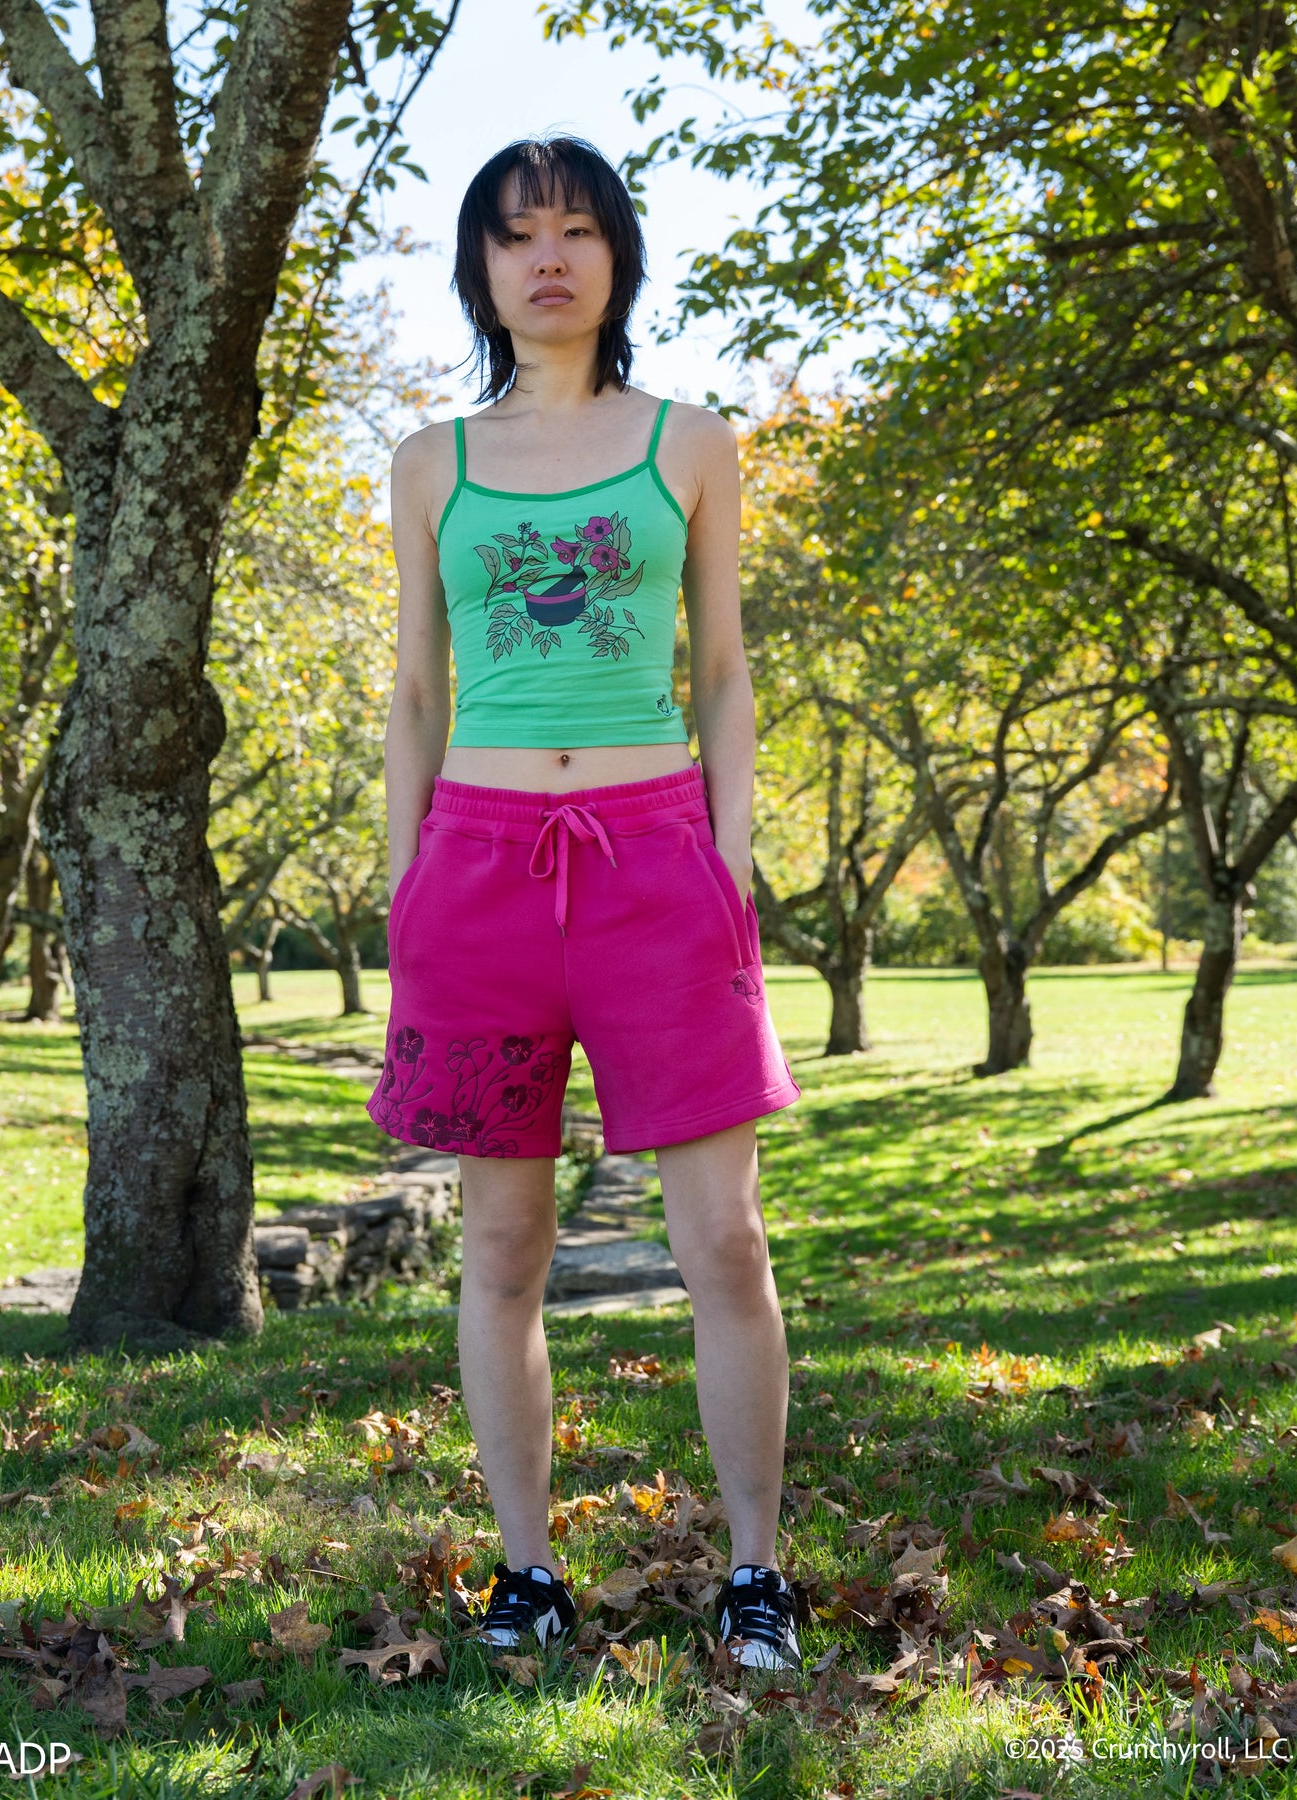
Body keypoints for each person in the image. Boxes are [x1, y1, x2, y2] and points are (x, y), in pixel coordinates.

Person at [366, 135, 804, 1671]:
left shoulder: (691, 441)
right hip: (477, 873)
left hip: (656, 865)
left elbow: (726, 672)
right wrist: (407, 878)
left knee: (724, 1239)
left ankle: (756, 1571)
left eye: (573, 230)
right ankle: (528, 1571)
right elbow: (416, 692)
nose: (546, 257)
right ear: (480, 268)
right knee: (502, 1249)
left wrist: (725, 856)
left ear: (616, 255)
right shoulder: (433, 460)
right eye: (514, 235)